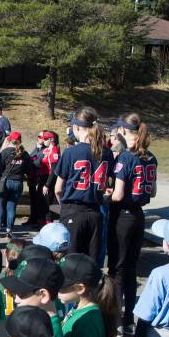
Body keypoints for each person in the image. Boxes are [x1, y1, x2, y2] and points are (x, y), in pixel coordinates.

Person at [108, 113, 157, 337]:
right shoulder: (151, 157)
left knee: (117, 269)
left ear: (128, 134)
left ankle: (117, 319)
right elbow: (152, 192)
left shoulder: (126, 158)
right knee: (130, 270)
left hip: (123, 216)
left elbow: (117, 195)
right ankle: (128, 319)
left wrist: (105, 193)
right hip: (139, 215)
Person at [53, 107, 114, 260]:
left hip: (73, 211)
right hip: (95, 213)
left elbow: (58, 189)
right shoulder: (106, 152)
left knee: (70, 262)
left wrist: (65, 207)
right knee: (90, 264)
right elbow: (106, 185)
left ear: (76, 127)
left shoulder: (71, 152)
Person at [0, 132, 33, 238]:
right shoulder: (25, 154)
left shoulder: (5, 152)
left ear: (10, 140)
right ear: (20, 140)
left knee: (1, 205)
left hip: (5, 182)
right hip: (18, 182)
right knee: (11, 207)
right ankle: (9, 230)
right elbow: (29, 170)